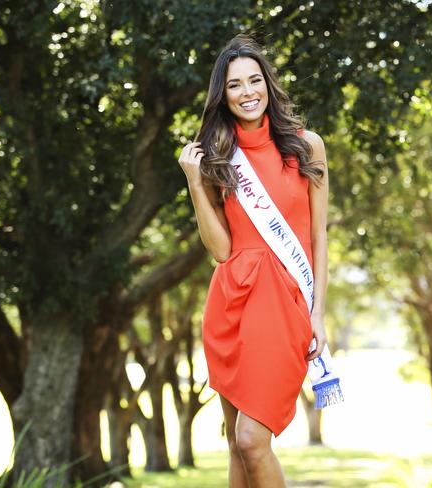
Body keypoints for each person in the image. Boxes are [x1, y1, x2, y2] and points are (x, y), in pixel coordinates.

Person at [178, 34, 330, 488]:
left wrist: (318, 312)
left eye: (254, 80)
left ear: (268, 84)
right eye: (235, 86)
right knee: (234, 443)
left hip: (284, 303)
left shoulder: (307, 147)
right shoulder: (218, 158)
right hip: (230, 302)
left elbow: (317, 235)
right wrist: (193, 181)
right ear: (222, 96)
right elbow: (221, 249)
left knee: (251, 438)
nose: (248, 92)